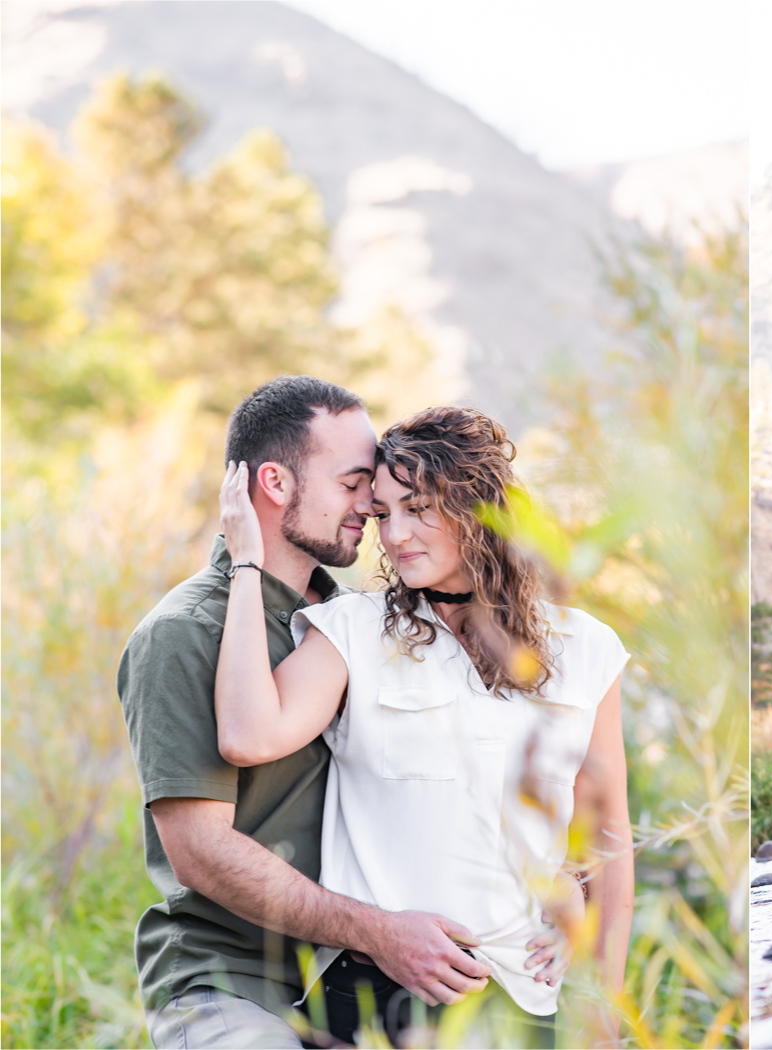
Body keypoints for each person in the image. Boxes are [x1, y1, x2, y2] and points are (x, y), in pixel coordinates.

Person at [214, 405, 634, 1049]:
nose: (393, 535)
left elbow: (606, 840)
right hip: (375, 997)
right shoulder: (352, 631)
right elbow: (249, 734)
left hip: (526, 1001)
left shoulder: (586, 647)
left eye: (419, 509)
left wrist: (604, 1006)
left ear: (477, 509)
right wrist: (245, 564)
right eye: (384, 514)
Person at [118, 377, 492, 1050]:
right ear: (275, 483)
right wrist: (378, 931)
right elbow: (201, 853)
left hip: (364, 981)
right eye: (353, 483)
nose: (371, 504)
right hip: (233, 981)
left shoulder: (369, 624)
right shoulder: (181, 634)